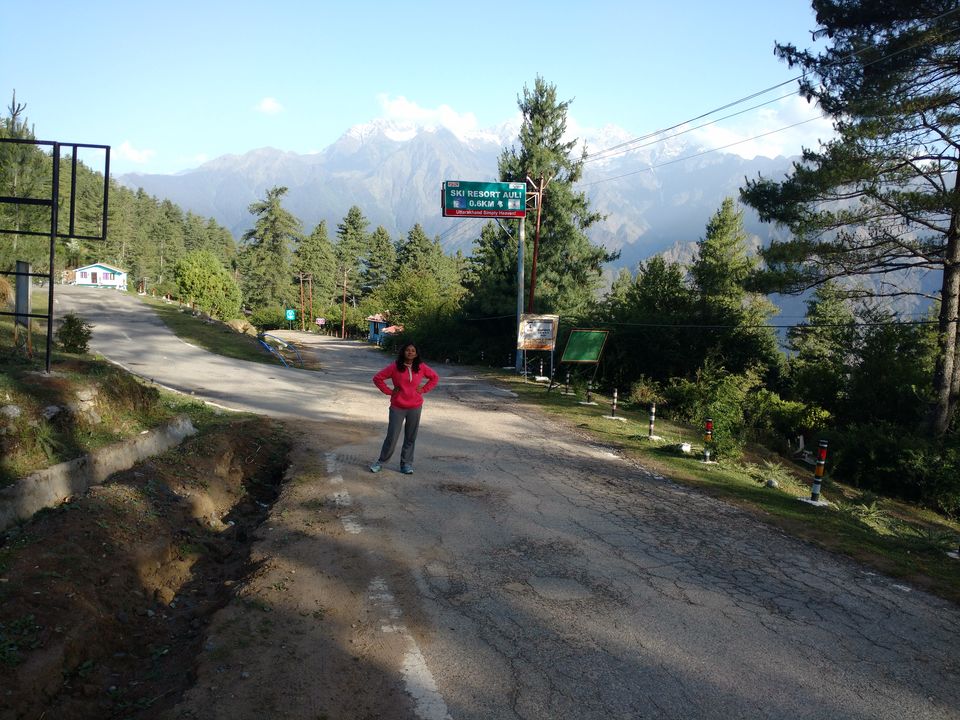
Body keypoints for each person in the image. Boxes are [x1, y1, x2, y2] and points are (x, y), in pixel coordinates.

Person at [370, 342, 439, 474]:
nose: (410, 352)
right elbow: (377, 378)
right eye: (408, 350)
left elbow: (434, 377)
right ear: (403, 352)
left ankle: (406, 464)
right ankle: (381, 462)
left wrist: (424, 389)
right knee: (392, 436)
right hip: (397, 407)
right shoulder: (395, 367)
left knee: (410, 437)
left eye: (413, 350)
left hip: (415, 407)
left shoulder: (421, 367)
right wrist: (389, 391)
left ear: (416, 354)